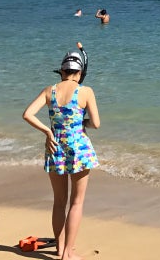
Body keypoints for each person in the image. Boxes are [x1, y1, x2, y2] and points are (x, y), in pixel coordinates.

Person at [23, 49, 101, 260]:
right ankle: (68, 254)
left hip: (55, 146)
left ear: (63, 71)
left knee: (59, 201)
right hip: (79, 150)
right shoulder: (86, 92)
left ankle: (59, 247)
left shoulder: (50, 91)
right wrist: (81, 123)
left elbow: (27, 114)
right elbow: (96, 123)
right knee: (76, 203)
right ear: (79, 73)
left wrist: (48, 131)